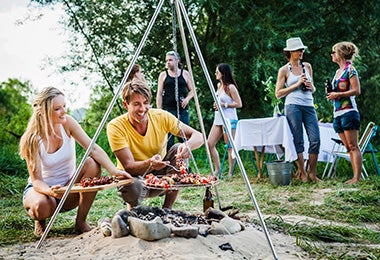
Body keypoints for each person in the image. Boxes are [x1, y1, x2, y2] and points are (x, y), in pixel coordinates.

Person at [19, 87, 132, 237]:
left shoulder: (68, 123)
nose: (64, 111)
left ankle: (80, 222)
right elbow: (37, 180)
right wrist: (50, 192)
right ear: (44, 112)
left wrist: (114, 170)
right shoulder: (33, 139)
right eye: (57, 108)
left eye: (64, 106)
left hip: (69, 188)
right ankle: (40, 221)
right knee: (43, 206)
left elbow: (94, 149)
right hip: (43, 191)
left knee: (92, 163)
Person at [107, 79, 203, 210]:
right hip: (133, 179)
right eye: (136, 104)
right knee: (132, 186)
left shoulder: (161, 116)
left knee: (177, 149)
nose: (142, 109)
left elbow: (198, 136)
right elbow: (128, 167)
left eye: (146, 103)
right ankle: (134, 211)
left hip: (160, 175)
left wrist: (188, 146)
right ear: (125, 105)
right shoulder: (116, 126)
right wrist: (150, 163)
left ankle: (167, 209)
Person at [275, 37, 320, 182]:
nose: (301, 52)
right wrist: (296, 84)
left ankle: (312, 173)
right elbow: (278, 93)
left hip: (309, 105)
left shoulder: (307, 66)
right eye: (298, 50)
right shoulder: (284, 70)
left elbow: (313, 89)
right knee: (298, 140)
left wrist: (309, 86)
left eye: (302, 50)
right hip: (292, 106)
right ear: (290, 52)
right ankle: (303, 174)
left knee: (315, 140)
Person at [327, 42, 361, 184]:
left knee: (353, 146)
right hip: (337, 113)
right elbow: (337, 92)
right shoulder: (337, 73)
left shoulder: (350, 70)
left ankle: (356, 178)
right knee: (347, 147)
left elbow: (356, 90)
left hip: (349, 112)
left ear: (340, 54)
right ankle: (354, 176)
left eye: (334, 52)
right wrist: (331, 93)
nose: (332, 55)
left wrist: (338, 95)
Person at [207, 63, 242, 177]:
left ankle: (230, 172)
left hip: (229, 119)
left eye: (217, 71)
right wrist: (216, 105)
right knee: (209, 143)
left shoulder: (230, 87)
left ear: (223, 73)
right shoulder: (219, 86)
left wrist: (224, 104)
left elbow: (239, 104)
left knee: (229, 146)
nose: (216, 73)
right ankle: (217, 168)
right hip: (218, 118)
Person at [157, 51, 194, 150]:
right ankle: (169, 163)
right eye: (166, 60)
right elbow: (159, 93)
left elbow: (192, 91)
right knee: (169, 140)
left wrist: (187, 99)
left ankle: (185, 164)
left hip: (182, 111)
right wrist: (159, 110)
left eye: (170, 60)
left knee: (184, 138)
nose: (168, 62)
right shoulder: (163, 75)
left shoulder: (185, 73)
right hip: (168, 110)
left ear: (177, 61)